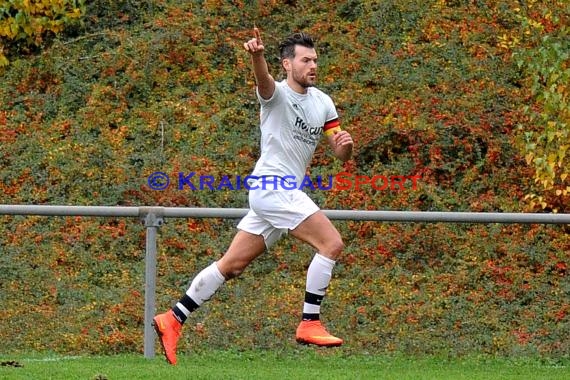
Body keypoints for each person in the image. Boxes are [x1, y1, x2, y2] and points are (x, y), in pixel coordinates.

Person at [152, 28, 354, 365]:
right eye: (305, 60)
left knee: (231, 265)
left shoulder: (323, 102)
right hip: (273, 187)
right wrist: (256, 56)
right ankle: (309, 322)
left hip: (280, 195)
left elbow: (338, 150)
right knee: (331, 244)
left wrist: (345, 147)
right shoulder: (275, 95)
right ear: (287, 64)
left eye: (315, 59)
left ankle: (173, 318)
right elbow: (264, 83)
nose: (313, 65)